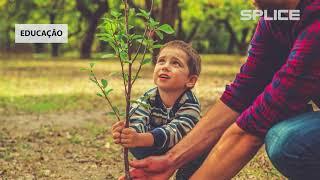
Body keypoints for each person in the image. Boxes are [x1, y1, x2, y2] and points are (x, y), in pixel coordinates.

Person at [122, 0, 320, 179]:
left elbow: (256, 124)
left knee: (289, 142)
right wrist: (170, 160)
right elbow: (242, 93)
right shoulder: (274, 18)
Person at [112, 40, 207, 179]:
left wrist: (143, 138)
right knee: (135, 137)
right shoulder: (149, 96)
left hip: (183, 150)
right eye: (161, 61)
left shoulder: (190, 103)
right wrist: (129, 133)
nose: (165, 67)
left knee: (201, 152)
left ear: (191, 80)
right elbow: (137, 116)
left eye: (176, 63)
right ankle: (149, 171)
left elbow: (177, 130)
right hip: (154, 146)